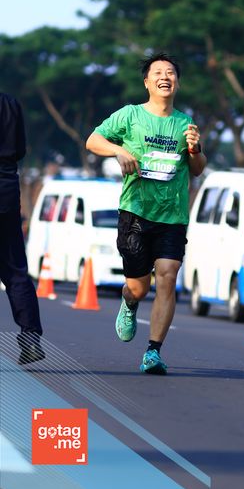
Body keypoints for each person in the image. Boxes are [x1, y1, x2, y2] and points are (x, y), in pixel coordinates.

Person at [86, 54, 206, 375]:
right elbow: (93, 140)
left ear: (177, 82)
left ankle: (153, 351)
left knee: (167, 275)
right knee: (139, 287)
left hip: (173, 216)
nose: (165, 77)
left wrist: (195, 149)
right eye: (158, 73)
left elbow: (197, 169)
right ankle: (129, 301)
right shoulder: (130, 115)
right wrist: (118, 150)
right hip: (136, 212)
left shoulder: (186, 123)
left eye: (171, 73)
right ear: (147, 82)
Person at [0, 93, 45, 365]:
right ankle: (30, 340)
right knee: (15, 271)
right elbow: (19, 150)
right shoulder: (10, 103)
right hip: (6, 189)